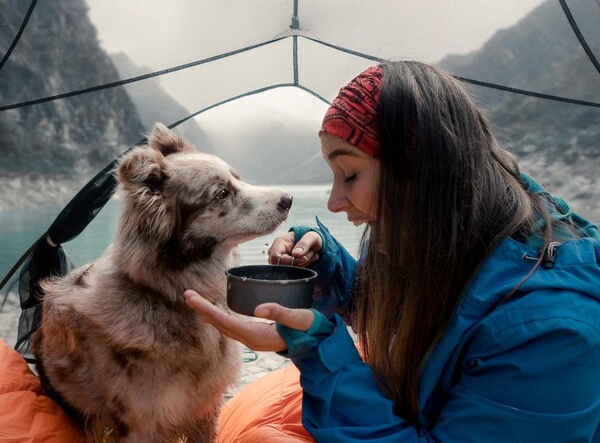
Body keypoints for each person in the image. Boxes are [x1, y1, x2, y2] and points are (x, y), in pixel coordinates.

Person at [184, 61, 600, 442]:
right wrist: (326, 267)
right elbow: (408, 311)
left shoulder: (548, 333)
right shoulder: (446, 233)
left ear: (423, 172)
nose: (334, 202)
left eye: (350, 174)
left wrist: (317, 352)